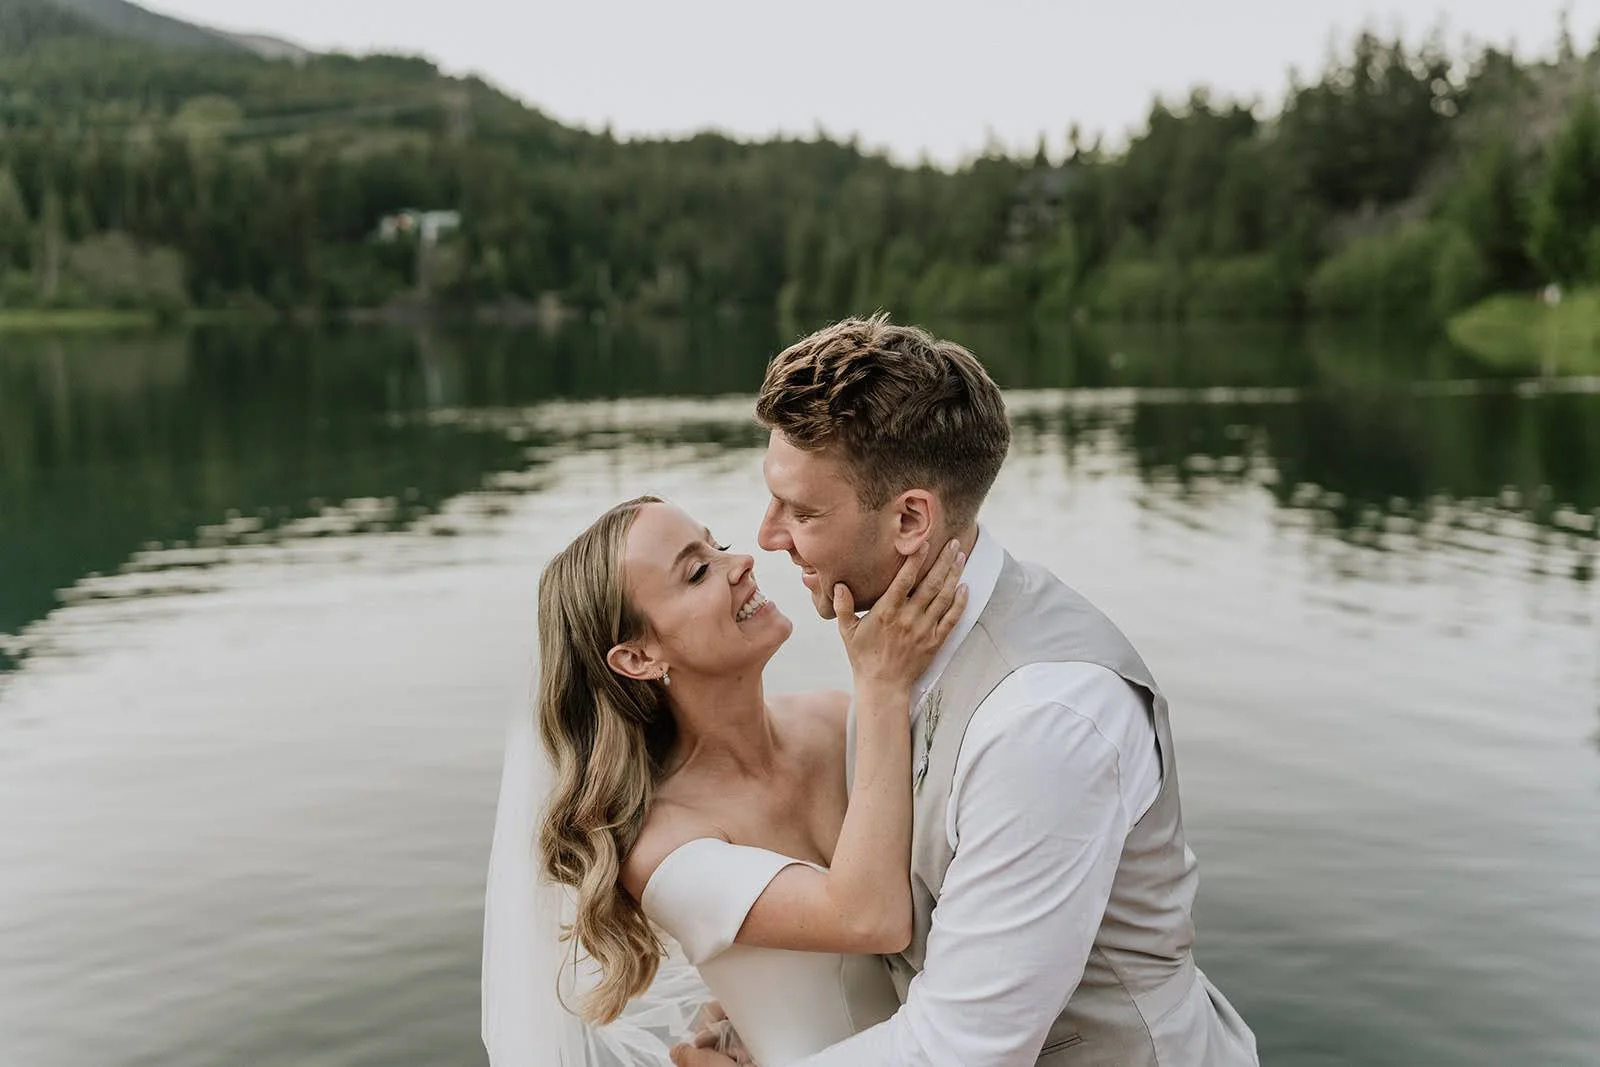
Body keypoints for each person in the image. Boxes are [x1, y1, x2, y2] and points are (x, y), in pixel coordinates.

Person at [672, 315, 1258, 1066]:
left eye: (804, 511)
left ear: (911, 518)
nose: (767, 536)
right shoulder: (889, 651)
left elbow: (966, 1046)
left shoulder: (1046, 721)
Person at [481, 491, 969, 1067]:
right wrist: (884, 684)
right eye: (696, 572)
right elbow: (872, 920)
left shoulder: (837, 719)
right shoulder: (666, 847)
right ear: (638, 658)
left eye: (720, 546)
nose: (741, 565)